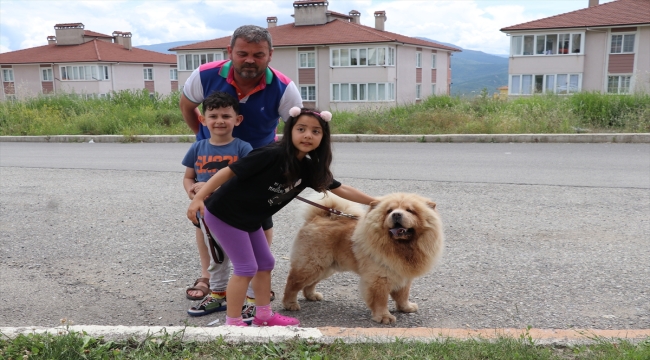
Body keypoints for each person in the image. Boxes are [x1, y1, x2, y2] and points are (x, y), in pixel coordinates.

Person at [187, 107, 376, 326]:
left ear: (323, 138)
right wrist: (198, 198)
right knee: (246, 268)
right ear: (290, 131)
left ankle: (264, 316)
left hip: (250, 218)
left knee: (265, 262)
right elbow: (228, 171)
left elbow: (340, 188)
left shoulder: (309, 167)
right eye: (301, 129)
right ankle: (233, 322)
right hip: (224, 213)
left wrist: (373, 201)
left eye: (316, 132)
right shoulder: (271, 153)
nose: (308, 135)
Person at [179, 24, 303, 317]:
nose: (250, 60)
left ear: (270, 55)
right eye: (242, 53)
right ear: (229, 52)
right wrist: (205, 135)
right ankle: (210, 278)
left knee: (259, 222)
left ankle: (253, 284)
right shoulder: (205, 75)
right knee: (206, 223)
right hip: (212, 162)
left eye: (258, 54)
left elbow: (295, 130)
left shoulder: (284, 87)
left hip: (256, 165)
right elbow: (187, 105)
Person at [181, 91, 252, 316]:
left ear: (237, 120)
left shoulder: (243, 148)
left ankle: (251, 297)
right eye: (213, 116)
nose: (219, 120)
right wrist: (193, 194)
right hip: (207, 214)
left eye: (225, 116)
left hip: (235, 212)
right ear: (202, 120)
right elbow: (188, 177)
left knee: (245, 255)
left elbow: (248, 180)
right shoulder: (197, 148)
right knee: (216, 256)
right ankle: (218, 294)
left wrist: (212, 188)